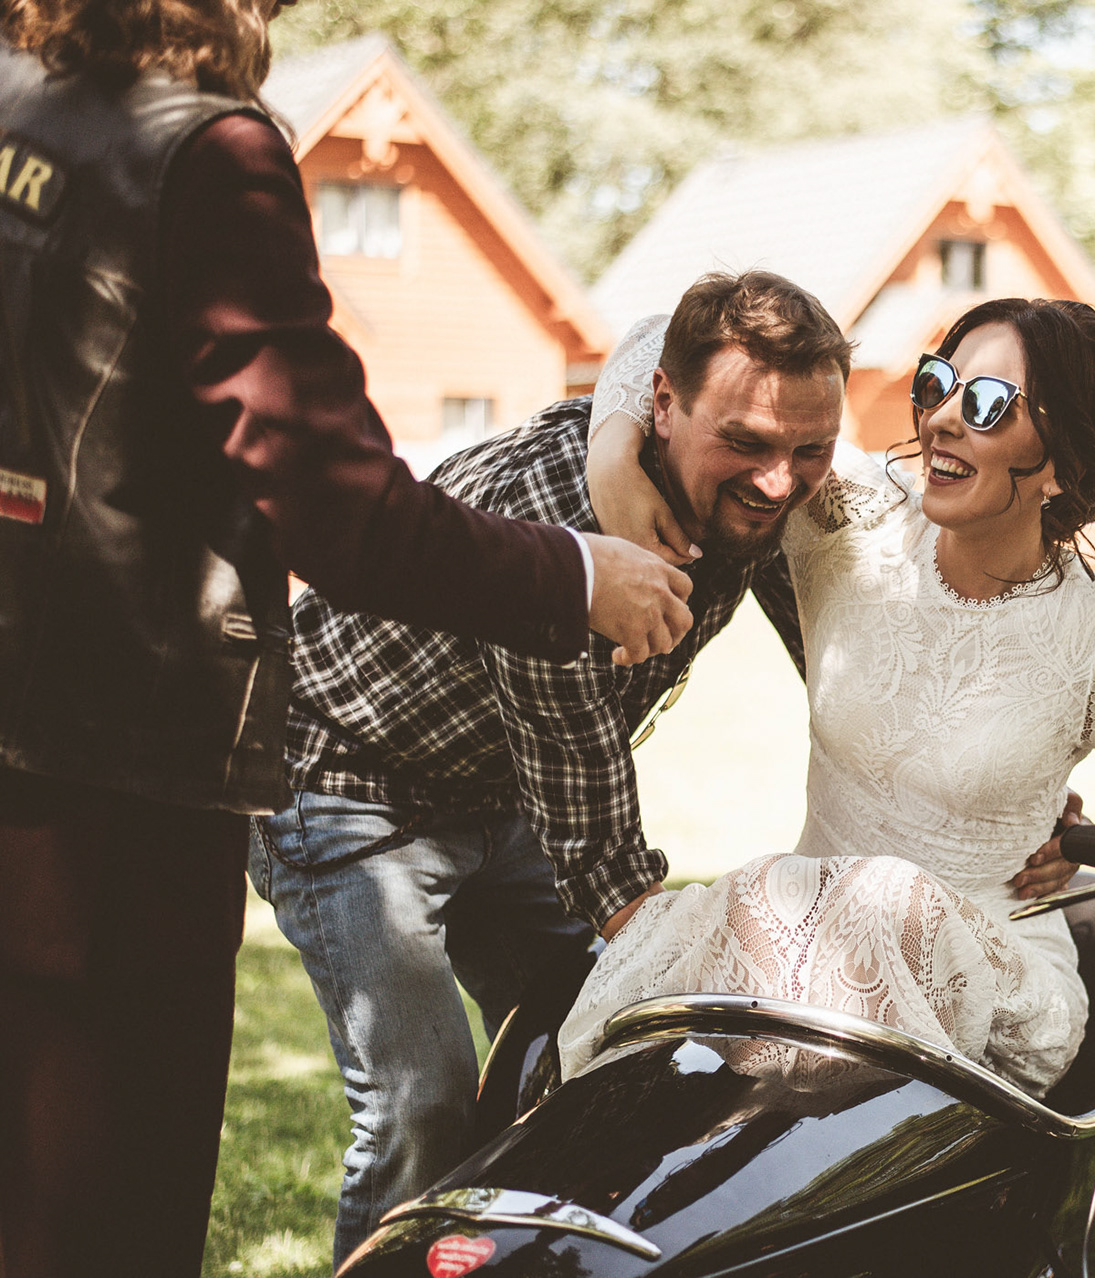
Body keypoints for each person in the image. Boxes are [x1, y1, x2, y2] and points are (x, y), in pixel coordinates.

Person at [0, 4, 691, 1276]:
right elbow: (336, 501)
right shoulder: (206, 153)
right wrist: (573, 571)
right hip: (121, 772)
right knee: (110, 1202)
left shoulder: (17, 104)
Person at [256, 272, 1080, 1265]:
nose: (779, 481)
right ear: (663, 403)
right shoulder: (559, 520)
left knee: (591, 1064)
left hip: (498, 794)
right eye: (747, 443)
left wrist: (996, 793)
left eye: (808, 450)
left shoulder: (758, 495)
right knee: (420, 1100)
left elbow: (862, 667)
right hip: (348, 785)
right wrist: (754, 960)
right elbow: (598, 849)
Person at [560, 297, 1095, 1096]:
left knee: (889, 898)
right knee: (746, 928)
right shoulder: (851, 521)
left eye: (988, 404)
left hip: (994, 978)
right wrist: (613, 455)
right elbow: (661, 337)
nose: (942, 418)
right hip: (799, 951)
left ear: (1061, 463)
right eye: (938, 383)